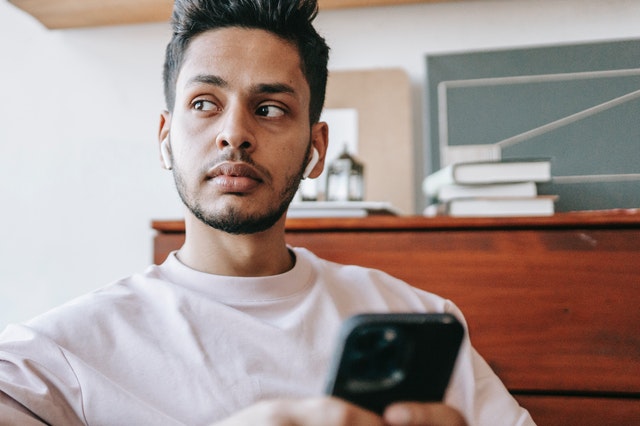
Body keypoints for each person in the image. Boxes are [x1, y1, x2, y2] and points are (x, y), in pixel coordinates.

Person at [0, 0, 535, 424]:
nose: (234, 132)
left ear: (316, 149)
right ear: (165, 139)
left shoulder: (416, 318)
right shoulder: (58, 354)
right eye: (205, 103)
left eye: (270, 108)